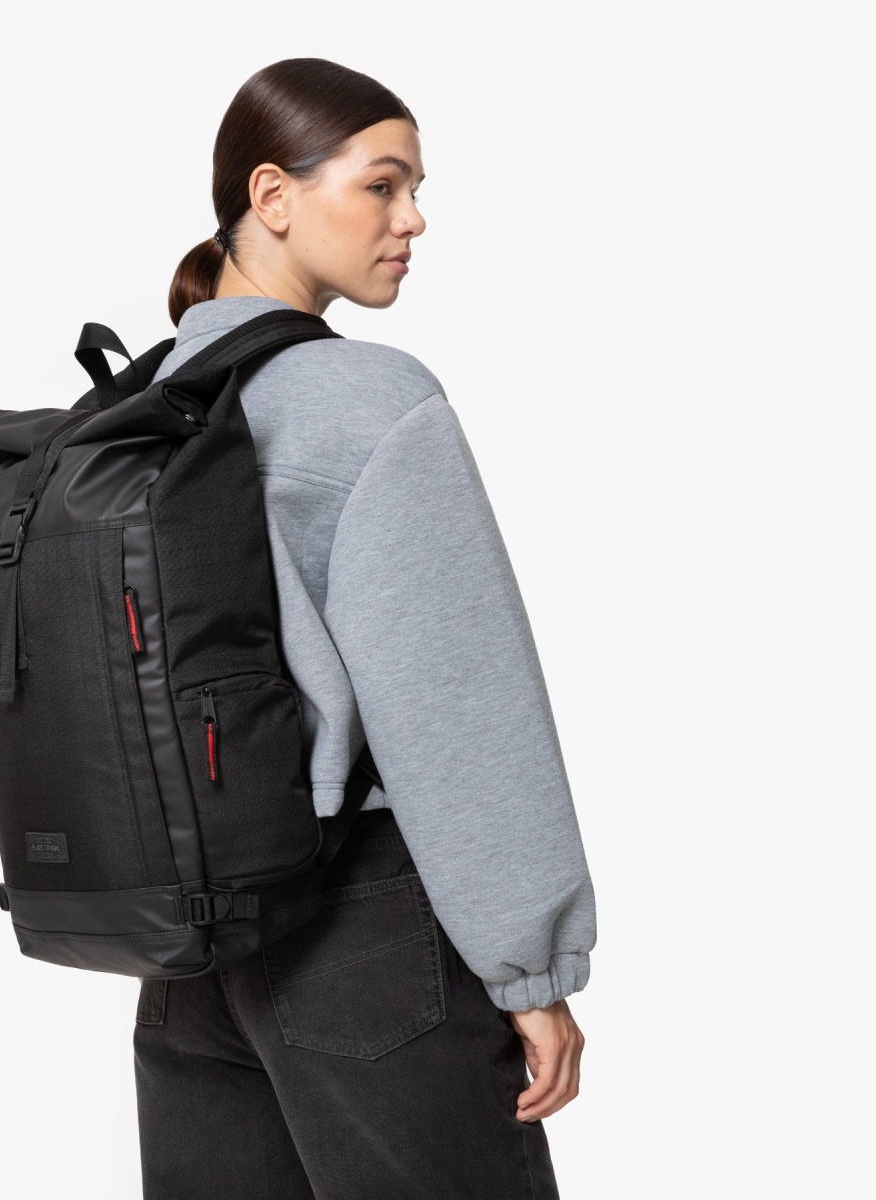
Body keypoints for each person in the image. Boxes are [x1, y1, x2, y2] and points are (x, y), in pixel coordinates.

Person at [133, 57, 597, 1200]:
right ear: (273, 195)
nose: (413, 219)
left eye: (416, 190)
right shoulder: (367, 400)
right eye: (382, 185)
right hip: (361, 930)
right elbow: (456, 700)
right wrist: (530, 966)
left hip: (190, 952)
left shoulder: (143, 403)